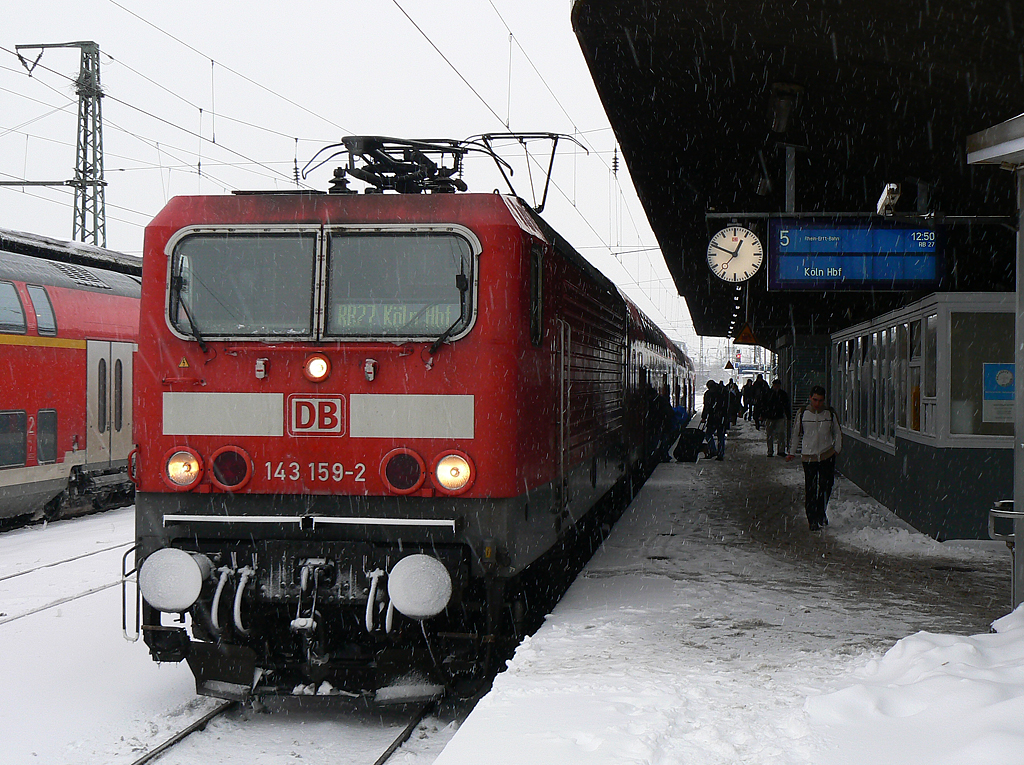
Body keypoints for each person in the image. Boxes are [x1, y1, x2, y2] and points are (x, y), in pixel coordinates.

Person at [786, 385, 842, 531]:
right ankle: (812, 519)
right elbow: (796, 433)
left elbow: (837, 432)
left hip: (826, 454)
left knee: (826, 486)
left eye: (820, 401)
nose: (817, 404)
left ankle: (820, 512)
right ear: (810, 398)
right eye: (815, 400)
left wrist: (836, 449)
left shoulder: (829, 413)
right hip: (809, 456)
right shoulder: (803, 413)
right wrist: (792, 452)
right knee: (810, 488)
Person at [761, 379, 790, 457]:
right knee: (779, 434)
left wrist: (763, 415)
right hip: (775, 416)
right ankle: (778, 450)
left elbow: (763, 405)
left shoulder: (769, 394)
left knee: (772, 434)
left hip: (773, 416)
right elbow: (786, 405)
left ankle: (771, 451)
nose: (777, 387)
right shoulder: (781, 394)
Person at [701, 381, 727, 460]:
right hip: (722, 417)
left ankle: (713, 449)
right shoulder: (723, 391)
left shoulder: (709, 394)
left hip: (713, 418)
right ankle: (720, 454)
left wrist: (704, 417)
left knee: (708, 434)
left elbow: (707, 406)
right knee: (721, 436)